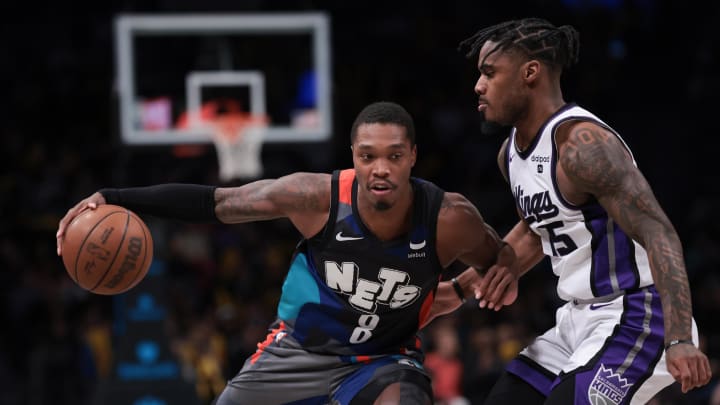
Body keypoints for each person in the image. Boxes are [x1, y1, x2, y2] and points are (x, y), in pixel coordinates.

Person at [56, 101, 515, 405]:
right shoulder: (315, 198)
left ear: (413, 156)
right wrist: (116, 197)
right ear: (352, 155)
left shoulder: (449, 218)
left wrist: (476, 286)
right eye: (368, 155)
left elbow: (501, 262)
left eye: (394, 156)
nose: (381, 169)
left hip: (385, 360)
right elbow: (219, 203)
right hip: (297, 351)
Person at [456, 17, 712, 404]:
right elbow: (538, 226)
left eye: (489, 73)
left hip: (639, 314)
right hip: (576, 318)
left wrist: (678, 337)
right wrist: (484, 275)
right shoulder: (509, 154)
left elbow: (659, 231)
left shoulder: (583, 146)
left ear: (530, 73)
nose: (478, 86)